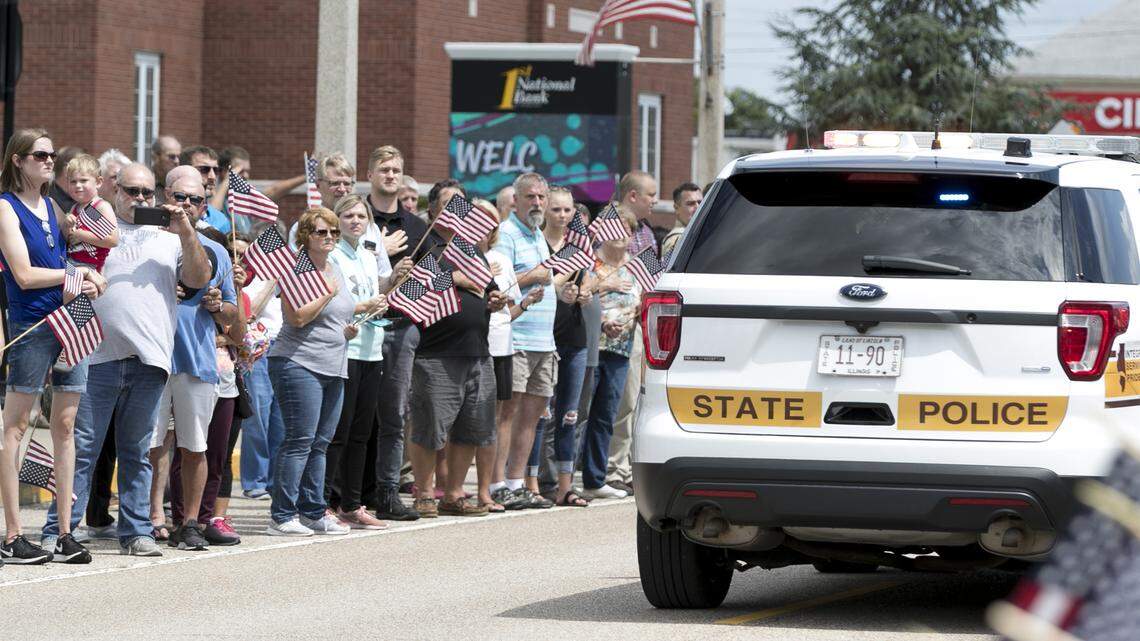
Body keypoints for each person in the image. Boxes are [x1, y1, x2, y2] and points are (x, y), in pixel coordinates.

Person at [42, 162, 212, 557]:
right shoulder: (93, 232)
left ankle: (137, 532)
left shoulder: (170, 238)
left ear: (158, 195)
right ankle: (60, 528)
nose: (139, 199)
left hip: (149, 359)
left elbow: (199, 278)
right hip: (93, 355)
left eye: (146, 193)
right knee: (81, 448)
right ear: (114, 190)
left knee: (137, 450)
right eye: (131, 191)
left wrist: (185, 228)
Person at [0, 129, 106, 564]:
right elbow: (23, 275)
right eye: (41, 155)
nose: (49, 162)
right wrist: (74, 278)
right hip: (30, 324)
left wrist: (89, 278)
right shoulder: (6, 208)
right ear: (18, 160)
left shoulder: (54, 207)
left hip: (70, 321)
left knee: (65, 426)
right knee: (16, 426)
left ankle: (63, 532)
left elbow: (75, 257)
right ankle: (11, 535)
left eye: (52, 155)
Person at [150, 166, 240, 551]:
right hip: (151, 357)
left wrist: (221, 308)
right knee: (152, 446)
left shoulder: (216, 250)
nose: (187, 205)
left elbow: (235, 316)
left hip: (196, 358)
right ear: (165, 196)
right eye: (180, 197)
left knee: (194, 446)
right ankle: (152, 518)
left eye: (196, 199)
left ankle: (190, 522)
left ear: (205, 205)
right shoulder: (148, 240)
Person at [407, 183, 509, 518]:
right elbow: (414, 288)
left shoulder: (472, 249)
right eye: (449, 205)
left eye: (462, 205)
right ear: (434, 210)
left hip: (477, 353)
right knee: (429, 427)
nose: (457, 211)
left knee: (471, 428)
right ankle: (424, 492)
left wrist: (495, 299)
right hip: (436, 354)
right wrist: (456, 277)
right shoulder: (424, 245)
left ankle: (453, 493)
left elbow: (489, 293)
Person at [265, 207, 355, 537]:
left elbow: (338, 313)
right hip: (298, 362)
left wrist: (348, 328)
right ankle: (282, 514)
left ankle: (313, 511)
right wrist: (327, 293)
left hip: (335, 363)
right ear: (306, 236)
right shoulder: (296, 269)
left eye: (333, 232)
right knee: (300, 440)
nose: (329, 237)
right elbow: (296, 318)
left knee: (320, 443)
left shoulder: (334, 267)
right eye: (321, 232)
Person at [324, 194, 409, 529]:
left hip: (373, 347)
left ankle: (352, 503)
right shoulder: (332, 254)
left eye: (361, 216)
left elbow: (376, 290)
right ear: (337, 220)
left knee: (362, 432)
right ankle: (325, 502)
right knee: (339, 432)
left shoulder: (370, 253)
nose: (355, 221)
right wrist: (364, 306)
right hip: (345, 350)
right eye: (348, 216)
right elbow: (334, 299)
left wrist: (390, 284)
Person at [490, 172, 562, 510]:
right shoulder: (506, 234)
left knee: (532, 415)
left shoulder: (536, 234)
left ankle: (517, 482)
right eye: (530, 197)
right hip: (515, 337)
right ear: (515, 200)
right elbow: (497, 285)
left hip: (544, 341)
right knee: (507, 412)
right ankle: (497, 483)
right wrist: (529, 276)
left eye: (541, 197)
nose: (536, 203)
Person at [367, 146, 426, 521]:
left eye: (396, 170)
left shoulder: (418, 227)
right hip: (359, 328)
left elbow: (430, 280)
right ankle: (344, 493)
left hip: (401, 328)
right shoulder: (356, 220)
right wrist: (378, 249)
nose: (390, 175)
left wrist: (406, 290)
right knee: (354, 415)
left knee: (393, 415)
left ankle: (387, 492)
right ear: (370, 174)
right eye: (384, 169)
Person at [528, 186, 591, 506]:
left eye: (567, 211)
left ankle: (566, 485)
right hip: (542, 336)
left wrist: (583, 293)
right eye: (556, 210)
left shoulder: (579, 246)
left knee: (569, 414)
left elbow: (587, 283)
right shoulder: (535, 244)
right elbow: (535, 282)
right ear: (546, 211)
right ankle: (535, 483)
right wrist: (556, 286)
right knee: (540, 413)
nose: (563, 216)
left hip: (574, 338)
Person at [477, 199, 540, 512]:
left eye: (491, 222)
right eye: (480, 221)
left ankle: (494, 483)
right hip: (474, 348)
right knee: (471, 416)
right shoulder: (462, 258)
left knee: (501, 415)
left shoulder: (501, 257)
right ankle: (451, 485)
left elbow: (506, 312)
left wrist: (525, 303)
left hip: (503, 345)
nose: (486, 228)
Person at [583, 209, 642, 499]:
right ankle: (564, 476)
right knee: (580, 412)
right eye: (613, 227)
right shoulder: (589, 262)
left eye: (626, 229)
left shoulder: (641, 266)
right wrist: (603, 287)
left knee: (608, 413)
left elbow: (654, 296)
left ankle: (597, 479)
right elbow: (578, 295)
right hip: (590, 345)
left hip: (623, 349)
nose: (620, 234)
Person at [63, 154, 120, 273]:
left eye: (83, 180)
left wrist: (80, 234)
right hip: (72, 264)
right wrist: (67, 227)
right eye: (73, 181)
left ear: (98, 182)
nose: (78, 185)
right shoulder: (75, 207)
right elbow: (69, 239)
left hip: (93, 268)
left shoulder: (97, 207)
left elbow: (112, 240)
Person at [181, 145, 229, 233]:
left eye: (216, 170)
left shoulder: (221, 221)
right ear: (184, 170)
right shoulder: (170, 212)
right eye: (204, 169)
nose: (213, 177)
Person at [618, 170, 660, 258]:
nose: (655, 201)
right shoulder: (610, 228)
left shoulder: (647, 231)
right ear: (633, 196)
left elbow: (652, 270)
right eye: (651, 195)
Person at [661, 182, 702, 257]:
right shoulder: (676, 240)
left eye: (700, 203)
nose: (698, 207)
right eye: (690, 204)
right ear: (676, 208)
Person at [47, 146, 85, 213]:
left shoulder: (80, 198)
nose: (87, 171)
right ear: (67, 170)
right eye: (82, 166)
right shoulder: (48, 200)